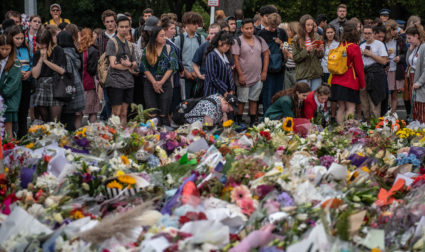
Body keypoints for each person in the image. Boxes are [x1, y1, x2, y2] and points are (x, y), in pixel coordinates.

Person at [233, 19, 269, 125]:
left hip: (257, 76)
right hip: (243, 76)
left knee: (254, 99)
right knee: (242, 100)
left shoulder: (259, 39)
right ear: (242, 29)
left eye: (251, 28)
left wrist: (264, 71)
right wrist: (240, 75)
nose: (249, 31)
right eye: (247, 28)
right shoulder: (237, 41)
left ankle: (253, 122)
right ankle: (239, 121)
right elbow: (235, 59)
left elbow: (266, 54)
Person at [140, 26, 178, 126]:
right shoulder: (147, 49)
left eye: (165, 35)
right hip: (150, 83)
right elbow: (144, 67)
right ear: (155, 37)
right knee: (152, 115)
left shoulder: (170, 49)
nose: (164, 38)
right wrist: (154, 82)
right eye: (161, 36)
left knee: (164, 114)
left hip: (165, 83)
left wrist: (160, 82)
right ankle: (152, 137)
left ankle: (166, 137)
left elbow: (172, 67)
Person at [329, 22, 366, 124]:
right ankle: (347, 132)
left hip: (336, 81)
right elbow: (359, 68)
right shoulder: (354, 47)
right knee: (351, 107)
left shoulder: (340, 46)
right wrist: (362, 84)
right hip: (349, 82)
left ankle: (340, 129)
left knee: (341, 107)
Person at [104, 16, 138, 125]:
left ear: (129, 28)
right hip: (115, 82)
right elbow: (113, 64)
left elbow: (136, 63)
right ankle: (112, 136)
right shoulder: (112, 42)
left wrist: (130, 64)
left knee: (124, 113)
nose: (124, 29)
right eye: (121, 27)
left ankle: (123, 137)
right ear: (117, 27)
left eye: (126, 27)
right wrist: (129, 66)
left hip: (128, 82)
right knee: (116, 113)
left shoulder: (129, 44)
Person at [32, 29, 66, 122]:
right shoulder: (37, 53)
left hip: (55, 85)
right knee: (45, 120)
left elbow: (62, 70)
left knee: (55, 121)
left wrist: (46, 61)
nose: (41, 46)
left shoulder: (58, 50)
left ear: (49, 41)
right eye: (39, 43)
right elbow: (35, 75)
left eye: (43, 43)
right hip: (42, 86)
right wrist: (41, 59)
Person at [258, 13, 288, 114]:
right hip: (267, 68)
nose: (273, 29)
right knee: (267, 92)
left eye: (275, 26)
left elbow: (287, 47)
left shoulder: (282, 32)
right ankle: (267, 114)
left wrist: (282, 44)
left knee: (278, 93)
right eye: (271, 26)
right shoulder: (262, 33)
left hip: (279, 67)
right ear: (268, 23)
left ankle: (277, 114)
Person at [57, 31, 85, 131]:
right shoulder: (74, 52)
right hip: (77, 90)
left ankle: (68, 143)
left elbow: (66, 72)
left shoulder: (63, 54)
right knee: (73, 118)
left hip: (67, 92)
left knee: (66, 121)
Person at [360, 25, 389, 121]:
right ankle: (366, 126)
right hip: (364, 75)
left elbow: (384, 61)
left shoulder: (379, 44)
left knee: (375, 104)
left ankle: (376, 128)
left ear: (373, 34)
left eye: (369, 33)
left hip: (376, 75)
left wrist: (371, 54)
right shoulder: (361, 45)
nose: (367, 35)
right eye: (365, 33)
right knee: (364, 104)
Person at [174, 12, 205, 100]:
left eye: (197, 23)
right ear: (187, 24)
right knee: (185, 101)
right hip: (184, 75)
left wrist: (197, 71)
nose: (196, 26)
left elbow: (203, 57)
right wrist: (185, 71)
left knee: (197, 100)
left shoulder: (200, 38)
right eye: (194, 23)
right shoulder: (179, 39)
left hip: (198, 75)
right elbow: (176, 58)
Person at [9, 26, 31, 138]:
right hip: (13, 84)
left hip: (26, 82)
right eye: (17, 38)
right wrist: (18, 72)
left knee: (24, 111)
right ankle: (12, 136)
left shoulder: (26, 49)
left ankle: (23, 136)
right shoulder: (8, 49)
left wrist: (29, 72)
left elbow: (32, 63)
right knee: (14, 111)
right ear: (11, 37)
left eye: (22, 38)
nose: (20, 41)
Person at [293, 14, 324, 91]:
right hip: (303, 74)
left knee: (315, 98)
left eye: (312, 25)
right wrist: (306, 50)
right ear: (302, 25)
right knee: (304, 98)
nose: (310, 27)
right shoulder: (296, 38)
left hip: (316, 73)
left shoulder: (316, 36)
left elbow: (320, 56)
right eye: (308, 25)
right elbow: (295, 57)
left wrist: (320, 51)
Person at [96, 10, 117, 121]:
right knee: (108, 100)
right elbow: (98, 58)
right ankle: (109, 121)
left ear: (115, 22)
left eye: (112, 21)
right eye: (107, 21)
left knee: (118, 102)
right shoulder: (100, 38)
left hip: (120, 72)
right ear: (104, 23)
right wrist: (99, 75)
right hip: (106, 74)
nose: (110, 24)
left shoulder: (120, 35)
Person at [0, 33, 22, 136]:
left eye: (7, 49)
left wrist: (2, 95)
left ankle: (9, 148)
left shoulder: (15, 63)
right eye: (2, 48)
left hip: (8, 100)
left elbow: (12, 84)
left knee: (8, 129)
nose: (4, 52)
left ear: (12, 48)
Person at [78, 28, 100, 124]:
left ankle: (76, 134)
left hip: (78, 83)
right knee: (93, 111)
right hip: (89, 83)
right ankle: (91, 132)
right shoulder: (93, 50)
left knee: (79, 113)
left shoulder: (77, 49)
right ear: (91, 37)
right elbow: (92, 69)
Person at [192, 23, 221, 97]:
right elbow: (195, 63)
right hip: (205, 82)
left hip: (220, 81)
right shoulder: (203, 46)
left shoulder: (223, 47)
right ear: (208, 34)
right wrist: (199, 75)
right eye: (211, 33)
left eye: (216, 33)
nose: (213, 35)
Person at [204, 31, 235, 97]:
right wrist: (224, 90)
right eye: (226, 45)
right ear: (219, 42)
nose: (227, 48)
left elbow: (230, 75)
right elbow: (212, 77)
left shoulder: (225, 55)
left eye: (229, 46)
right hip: (213, 92)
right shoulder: (212, 55)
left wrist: (232, 89)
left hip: (225, 92)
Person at [385, 20, 406, 115]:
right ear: (389, 30)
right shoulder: (383, 40)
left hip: (396, 69)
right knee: (386, 92)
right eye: (394, 29)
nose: (396, 31)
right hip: (386, 69)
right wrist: (386, 53)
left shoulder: (400, 40)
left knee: (394, 92)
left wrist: (400, 57)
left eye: (397, 29)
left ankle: (392, 113)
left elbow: (405, 53)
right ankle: (385, 112)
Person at [406, 25, 425, 122]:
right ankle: (416, 132)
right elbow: (407, 62)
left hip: (419, 81)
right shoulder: (415, 47)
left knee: (421, 108)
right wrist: (410, 48)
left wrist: (419, 82)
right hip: (412, 79)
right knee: (415, 108)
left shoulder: (423, 47)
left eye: (409, 38)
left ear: (416, 36)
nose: (408, 40)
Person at [283, 21, 299, 90]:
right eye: (287, 30)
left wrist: (288, 53)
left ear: (294, 30)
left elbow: (297, 58)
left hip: (295, 71)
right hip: (287, 69)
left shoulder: (298, 42)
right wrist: (284, 52)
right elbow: (286, 58)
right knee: (287, 92)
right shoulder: (287, 41)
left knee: (296, 91)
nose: (287, 32)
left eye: (289, 30)